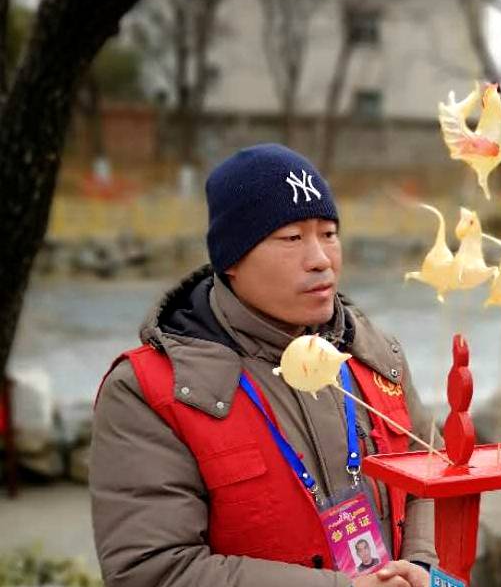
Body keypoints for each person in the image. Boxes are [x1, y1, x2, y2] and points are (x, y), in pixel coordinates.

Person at [90, 144, 437, 587]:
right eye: (292, 238)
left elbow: (431, 470)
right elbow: (153, 571)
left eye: (329, 233)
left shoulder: (375, 356)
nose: (321, 259)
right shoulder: (150, 392)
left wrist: (421, 564)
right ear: (231, 259)